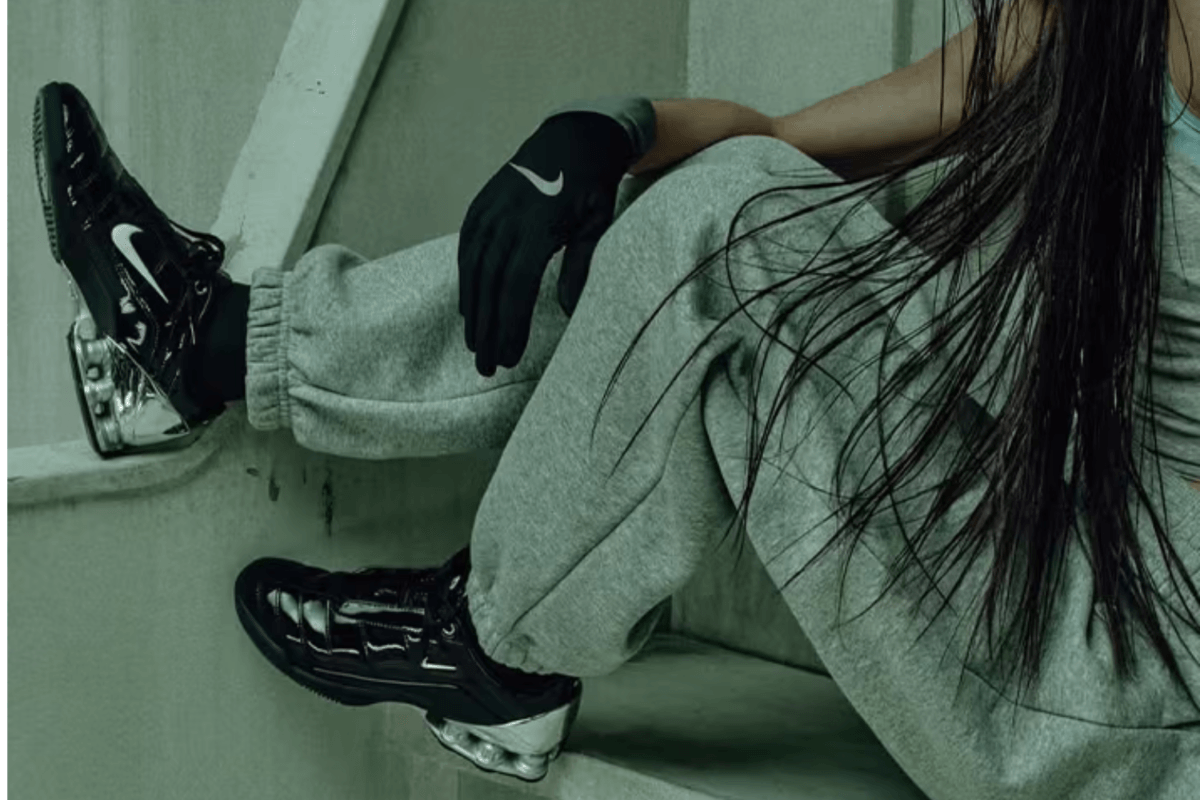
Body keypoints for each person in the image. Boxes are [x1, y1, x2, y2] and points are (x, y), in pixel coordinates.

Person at [30, 0, 1200, 794]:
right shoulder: (1100, 25)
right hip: (1052, 546)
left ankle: (497, 641)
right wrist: (605, 135)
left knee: (742, 235)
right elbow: (780, 148)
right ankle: (221, 347)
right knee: (716, 212)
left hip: (1110, 703)